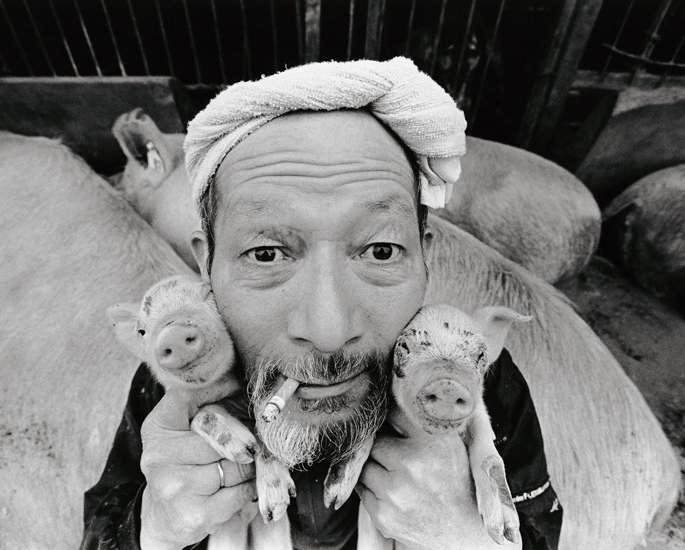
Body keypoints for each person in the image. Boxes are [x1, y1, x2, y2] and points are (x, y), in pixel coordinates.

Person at [82, 58, 561, 550]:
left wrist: (466, 537)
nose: (328, 332)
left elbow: (540, 529)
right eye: (266, 254)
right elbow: (103, 520)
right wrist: (152, 527)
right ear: (208, 267)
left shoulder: (473, 375)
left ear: (425, 260)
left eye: (380, 250)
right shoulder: (183, 376)